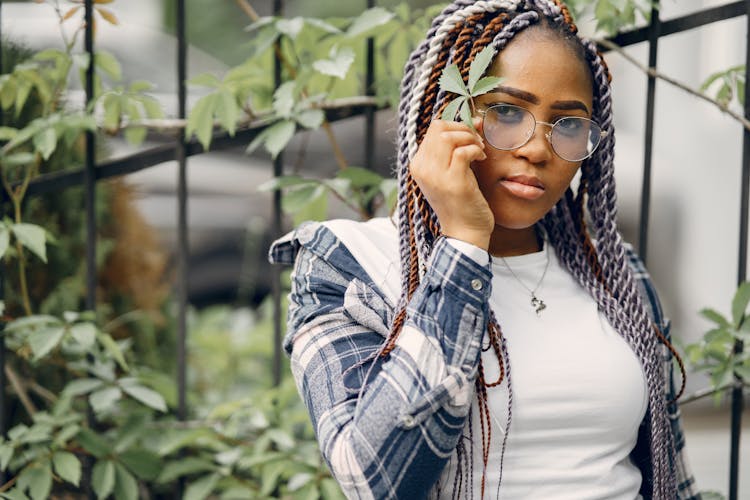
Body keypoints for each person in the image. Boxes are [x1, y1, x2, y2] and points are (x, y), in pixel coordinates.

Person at [269, 0, 700, 498]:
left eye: (567, 124)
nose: (537, 150)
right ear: (444, 115)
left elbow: (673, 476)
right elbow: (375, 480)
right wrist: (463, 243)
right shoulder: (348, 267)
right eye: (506, 111)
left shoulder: (614, 274)